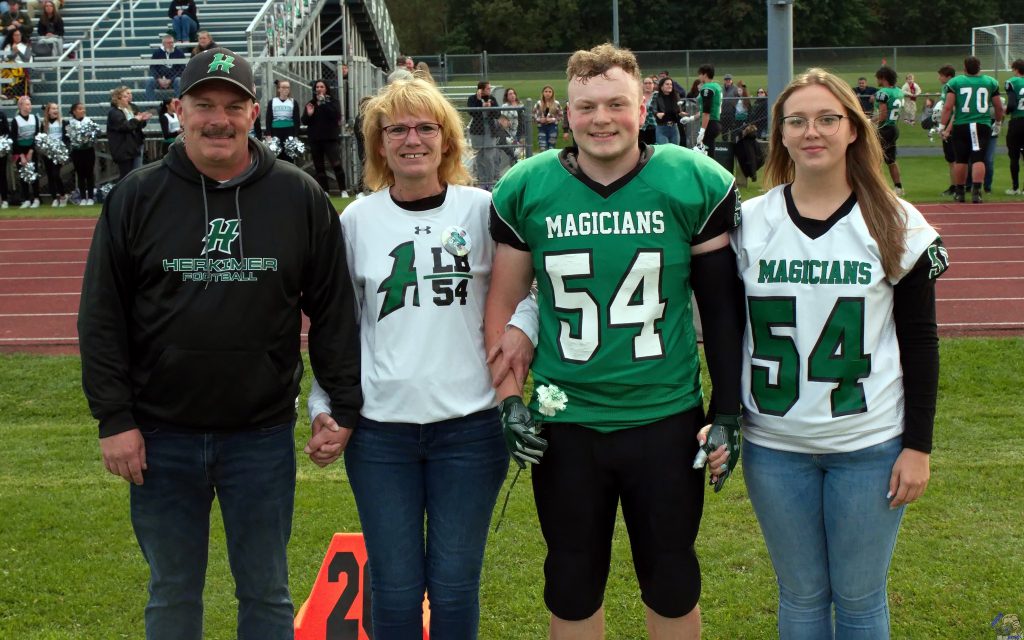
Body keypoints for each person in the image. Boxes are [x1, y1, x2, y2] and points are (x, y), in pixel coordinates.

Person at [78, 47, 362, 640]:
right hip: (160, 435)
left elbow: (334, 311)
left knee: (265, 592)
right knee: (172, 595)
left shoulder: (299, 196)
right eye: (204, 104)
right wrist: (113, 418)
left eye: (233, 106)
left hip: (258, 437)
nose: (218, 119)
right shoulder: (136, 196)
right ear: (177, 110)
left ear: (254, 113)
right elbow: (101, 316)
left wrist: (340, 402)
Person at [485, 43, 743, 640]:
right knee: (572, 581)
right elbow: (502, 302)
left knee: (673, 577)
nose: (601, 119)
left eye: (616, 104)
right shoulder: (530, 187)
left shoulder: (690, 180)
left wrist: (726, 409)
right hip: (567, 421)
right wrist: (509, 400)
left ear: (643, 104)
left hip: (666, 417)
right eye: (586, 106)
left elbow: (719, 309)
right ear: (564, 112)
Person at [306, 75, 536, 640]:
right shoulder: (357, 221)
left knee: (456, 586)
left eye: (426, 127)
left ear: (448, 139)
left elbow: (526, 297)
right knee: (395, 586)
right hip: (382, 433)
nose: (413, 139)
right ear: (379, 144)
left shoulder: (484, 210)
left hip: (471, 428)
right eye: (397, 129)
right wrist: (322, 404)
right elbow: (338, 327)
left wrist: (522, 335)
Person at [725, 67, 947, 640]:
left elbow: (921, 341)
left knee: (860, 599)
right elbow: (724, 332)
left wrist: (917, 446)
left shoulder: (897, 224)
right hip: (775, 446)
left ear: (853, 128)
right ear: (780, 134)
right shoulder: (749, 224)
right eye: (796, 121)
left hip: (868, 445)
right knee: (800, 597)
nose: (811, 131)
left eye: (828, 118)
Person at [939, 55, 1003, 203]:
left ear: (964, 67)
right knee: (978, 158)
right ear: (979, 67)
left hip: (961, 124)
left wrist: (942, 126)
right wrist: (998, 123)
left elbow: (948, 107)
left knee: (960, 159)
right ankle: (976, 192)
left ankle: (960, 192)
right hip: (981, 124)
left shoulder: (955, 82)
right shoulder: (990, 82)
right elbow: (998, 107)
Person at [302, 78, 348, 197]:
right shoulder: (311, 103)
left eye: (322, 87)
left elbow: (336, 115)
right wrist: (309, 114)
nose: (319, 89)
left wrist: (324, 103)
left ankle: (343, 190)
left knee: (336, 164)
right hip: (315, 139)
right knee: (319, 167)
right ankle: (325, 191)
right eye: (317, 87)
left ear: (326, 88)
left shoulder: (333, 101)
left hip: (330, 138)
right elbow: (304, 120)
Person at [106, 86, 150, 180]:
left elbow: (135, 125)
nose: (128, 98)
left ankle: (134, 194)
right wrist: (136, 119)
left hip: (133, 146)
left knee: (136, 174)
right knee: (126, 176)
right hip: (123, 149)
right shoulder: (114, 112)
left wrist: (142, 120)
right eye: (125, 96)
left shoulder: (130, 109)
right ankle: (125, 194)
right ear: (118, 99)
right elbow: (124, 126)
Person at [874, 65, 905, 195]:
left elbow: (882, 114)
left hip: (884, 128)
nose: (877, 81)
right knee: (891, 160)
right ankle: (898, 187)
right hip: (893, 127)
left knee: (874, 159)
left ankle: (879, 188)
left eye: (878, 78)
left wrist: (869, 122)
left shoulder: (883, 93)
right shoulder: (899, 91)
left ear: (883, 78)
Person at [467, 79, 499, 186]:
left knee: (489, 156)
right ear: (481, 90)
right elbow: (472, 112)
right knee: (479, 156)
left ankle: (490, 180)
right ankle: (482, 180)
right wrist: (479, 101)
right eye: (488, 88)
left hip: (490, 131)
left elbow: (498, 114)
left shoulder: (492, 99)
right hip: (477, 131)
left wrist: (491, 107)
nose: (490, 90)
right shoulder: (472, 99)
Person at [10, 95, 39, 207]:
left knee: (34, 173)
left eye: (30, 104)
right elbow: (14, 138)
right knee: (23, 175)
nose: (29, 106)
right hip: (20, 150)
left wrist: (31, 151)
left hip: (31, 148)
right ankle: (26, 199)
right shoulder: (15, 120)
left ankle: (36, 198)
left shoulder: (34, 118)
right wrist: (22, 155)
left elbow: (36, 134)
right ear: (21, 106)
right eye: (27, 104)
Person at [264, 78, 299, 163]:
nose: (285, 89)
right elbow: (268, 119)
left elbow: (296, 120)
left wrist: (296, 135)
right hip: (275, 132)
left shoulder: (293, 102)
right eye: (283, 87)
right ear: (279, 89)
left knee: (289, 157)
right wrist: (268, 134)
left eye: (287, 87)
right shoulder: (272, 102)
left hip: (289, 132)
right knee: (277, 158)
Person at [68, 102, 96, 205]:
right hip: (77, 152)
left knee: (89, 174)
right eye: (80, 109)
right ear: (74, 111)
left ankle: (91, 197)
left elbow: (95, 135)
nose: (83, 110)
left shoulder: (89, 121)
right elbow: (68, 138)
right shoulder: (70, 123)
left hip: (88, 150)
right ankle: (83, 197)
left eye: (83, 108)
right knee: (80, 174)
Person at [936, 65, 957, 197]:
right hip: (955, 124)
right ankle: (958, 185)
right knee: (954, 159)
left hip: (952, 125)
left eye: (941, 75)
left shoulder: (949, 87)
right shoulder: (952, 86)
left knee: (952, 159)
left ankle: (955, 186)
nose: (939, 78)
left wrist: (946, 128)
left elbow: (951, 108)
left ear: (948, 76)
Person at [40, 101, 66, 206]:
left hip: (59, 152)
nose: (55, 110)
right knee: (50, 175)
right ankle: (54, 197)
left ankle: (63, 196)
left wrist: (64, 150)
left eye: (56, 108)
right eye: (53, 109)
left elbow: (66, 138)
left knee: (56, 174)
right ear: (48, 111)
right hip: (48, 152)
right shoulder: (44, 123)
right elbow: (41, 138)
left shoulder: (63, 122)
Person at [1004, 58, 1024, 195]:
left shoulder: (1012, 82)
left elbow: (1011, 105)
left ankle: (1015, 187)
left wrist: (1005, 110)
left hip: (1017, 121)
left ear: (1016, 69)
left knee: (1014, 156)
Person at [146, 33, 185, 101]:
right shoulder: (157, 53)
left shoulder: (179, 53)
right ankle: (152, 106)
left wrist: (170, 80)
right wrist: (159, 79)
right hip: (160, 80)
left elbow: (182, 70)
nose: (171, 45)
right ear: (163, 44)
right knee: (149, 81)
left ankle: (179, 104)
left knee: (178, 80)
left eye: (172, 42)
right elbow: (152, 68)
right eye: (168, 43)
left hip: (173, 80)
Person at [696, 64, 722, 153]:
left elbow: (706, 112)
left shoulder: (707, 88)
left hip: (709, 124)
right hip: (715, 122)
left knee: (706, 155)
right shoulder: (716, 86)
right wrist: (691, 118)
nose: (699, 76)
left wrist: (702, 131)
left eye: (700, 74)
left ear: (705, 74)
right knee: (709, 152)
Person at [1, 27, 31, 98]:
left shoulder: (26, 47)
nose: (18, 37)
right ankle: (8, 91)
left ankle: (9, 92)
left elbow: (26, 60)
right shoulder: (7, 46)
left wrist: (18, 51)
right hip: (9, 68)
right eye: (16, 35)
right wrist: (14, 53)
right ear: (12, 36)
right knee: (7, 67)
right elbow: (6, 59)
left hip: (22, 68)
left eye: (19, 35)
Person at [653, 76, 683, 145]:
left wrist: (681, 113)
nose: (670, 86)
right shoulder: (656, 96)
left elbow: (679, 110)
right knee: (665, 150)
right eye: (667, 84)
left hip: (674, 128)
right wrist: (657, 113)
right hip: (662, 128)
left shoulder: (676, 96)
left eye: (671, 84)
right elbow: (653, 108)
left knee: (675, 150)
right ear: (661, 86)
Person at [533, 84, 561, 152]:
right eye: (546, 91)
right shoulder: (538, 103)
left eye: (549, 91)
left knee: (551, 147)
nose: (547, 93)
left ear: (552, 93)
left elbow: (560, 116)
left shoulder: (556, 103)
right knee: (542, 147)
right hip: (541, 127)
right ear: (543, 93)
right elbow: (533, 116)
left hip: (552, 127)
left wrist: (552, 119)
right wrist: (540, 120)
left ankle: (550, 161)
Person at [639, 76, 657, 146]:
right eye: (646, 83)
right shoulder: (639, 96)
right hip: (642, 127)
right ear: (642, 85)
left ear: (653, 85)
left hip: (655, 126)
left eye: (650, 83)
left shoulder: (657, 95)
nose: (648, 85)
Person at [0, 106, 9, 207]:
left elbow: (7, 131)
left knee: (2, 174)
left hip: (1, 149)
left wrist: (4, 143)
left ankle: (5, 199)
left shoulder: (2, 114)